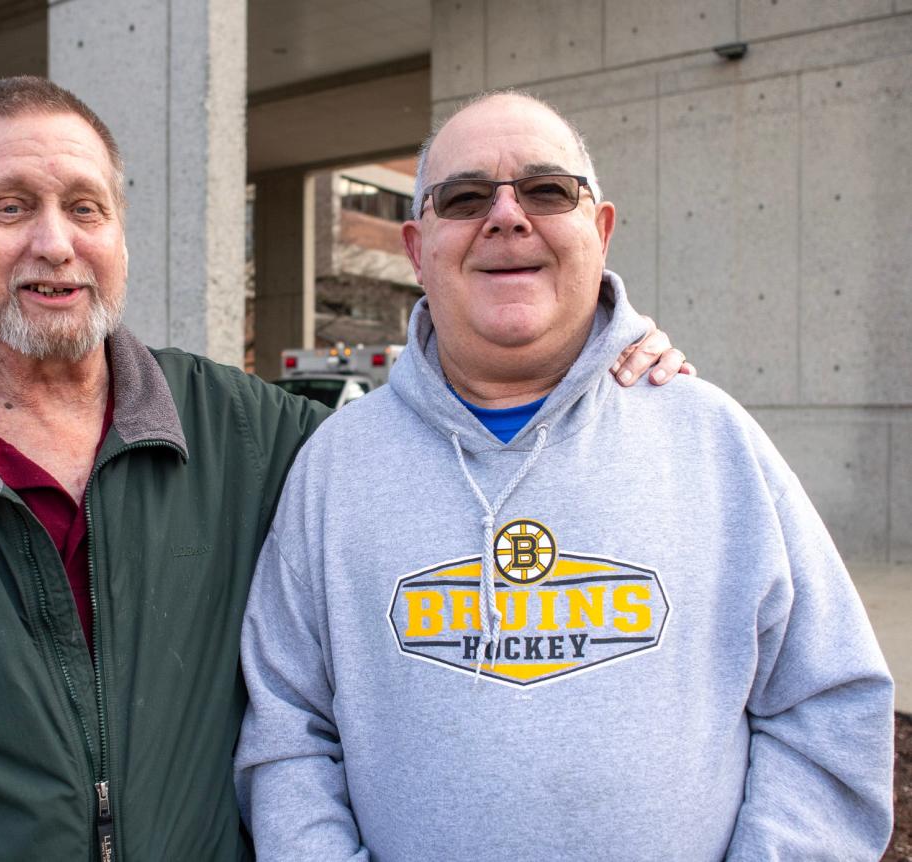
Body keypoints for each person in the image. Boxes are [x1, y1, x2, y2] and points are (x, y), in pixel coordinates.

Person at [0, 77, 688, 860]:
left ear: (119, 232)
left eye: (83, 206)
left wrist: (598, 351)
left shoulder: (245, 433)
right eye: (11, 206)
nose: (54, 242)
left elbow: (440, 436)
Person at [235, 91, 894, 861]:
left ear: (601, 230)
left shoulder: (713, 442)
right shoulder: (335, 470)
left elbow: (829, 705)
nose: (507, 217)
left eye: (547, 191)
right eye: (465, 197)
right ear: (417, 247)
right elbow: (287, 732)